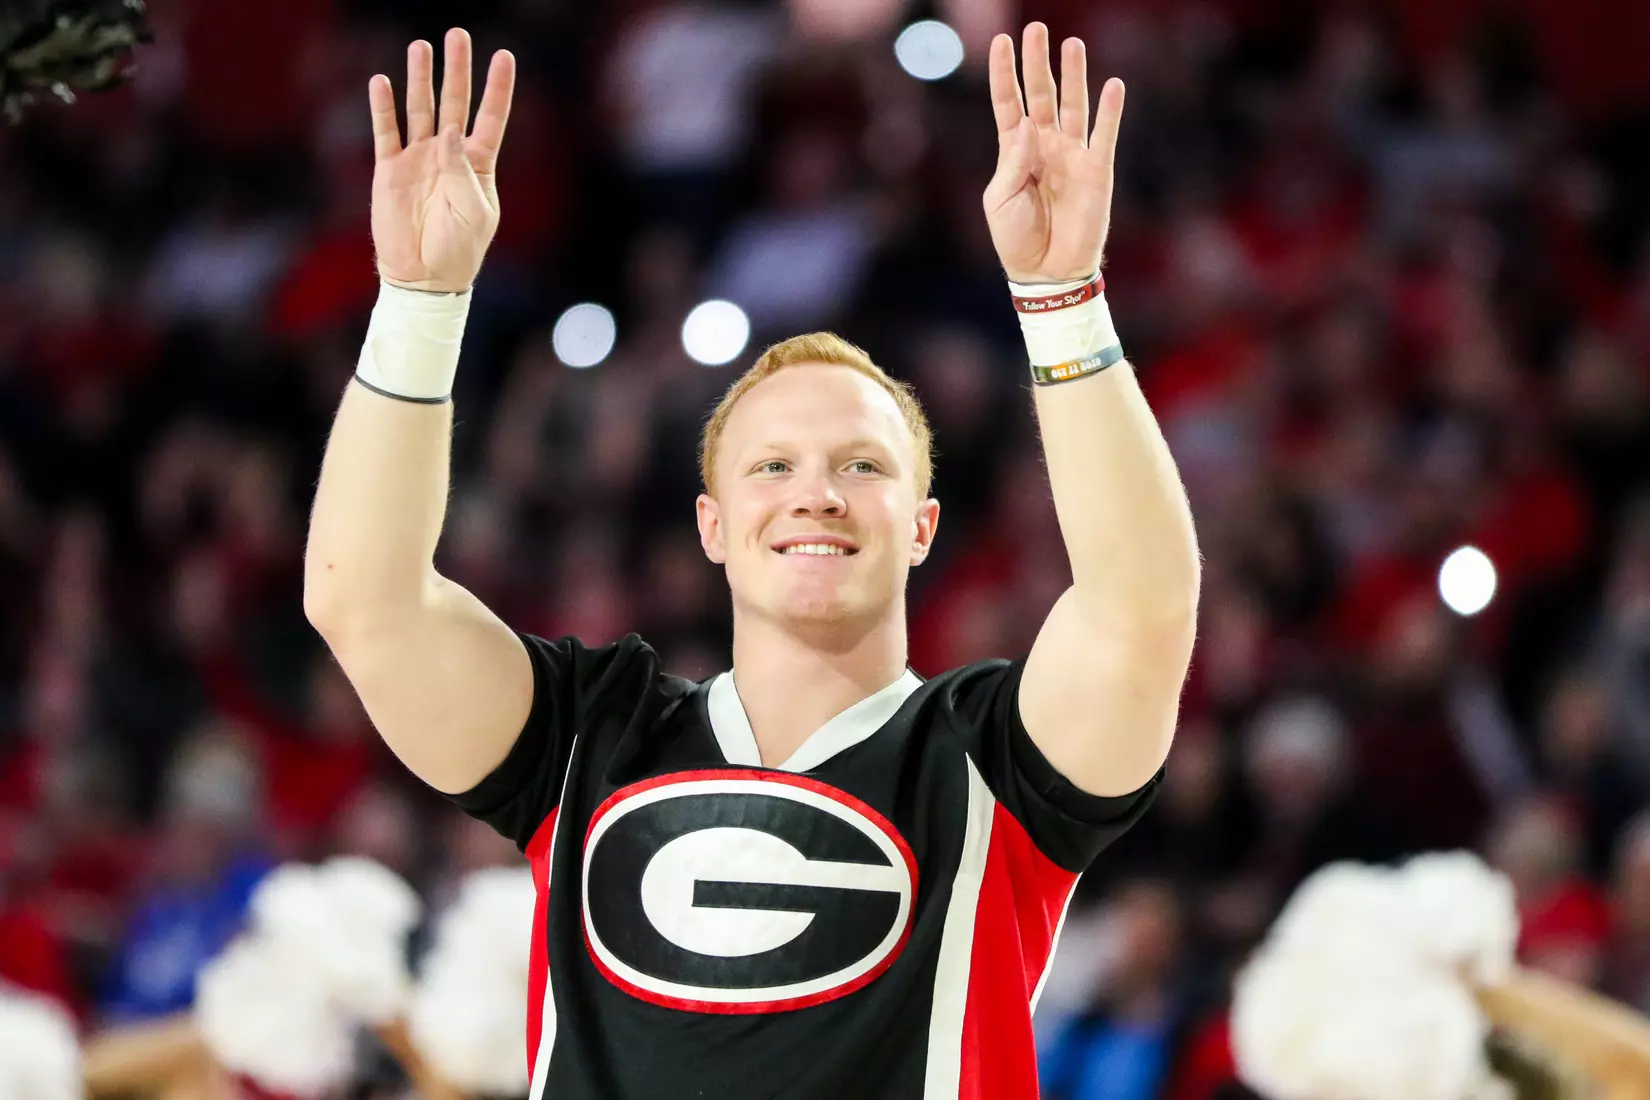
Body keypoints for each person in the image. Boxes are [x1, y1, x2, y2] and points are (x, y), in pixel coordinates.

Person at [302, 22, 1200, 1100]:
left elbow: (1141, 607)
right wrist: (417, 304)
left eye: (861, 464)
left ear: (921, 526)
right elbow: (367, 604)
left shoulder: (990, 758)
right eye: (771, 464)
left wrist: (1063, 303)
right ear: (712, 526)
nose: (816, 489)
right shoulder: (595, 732)